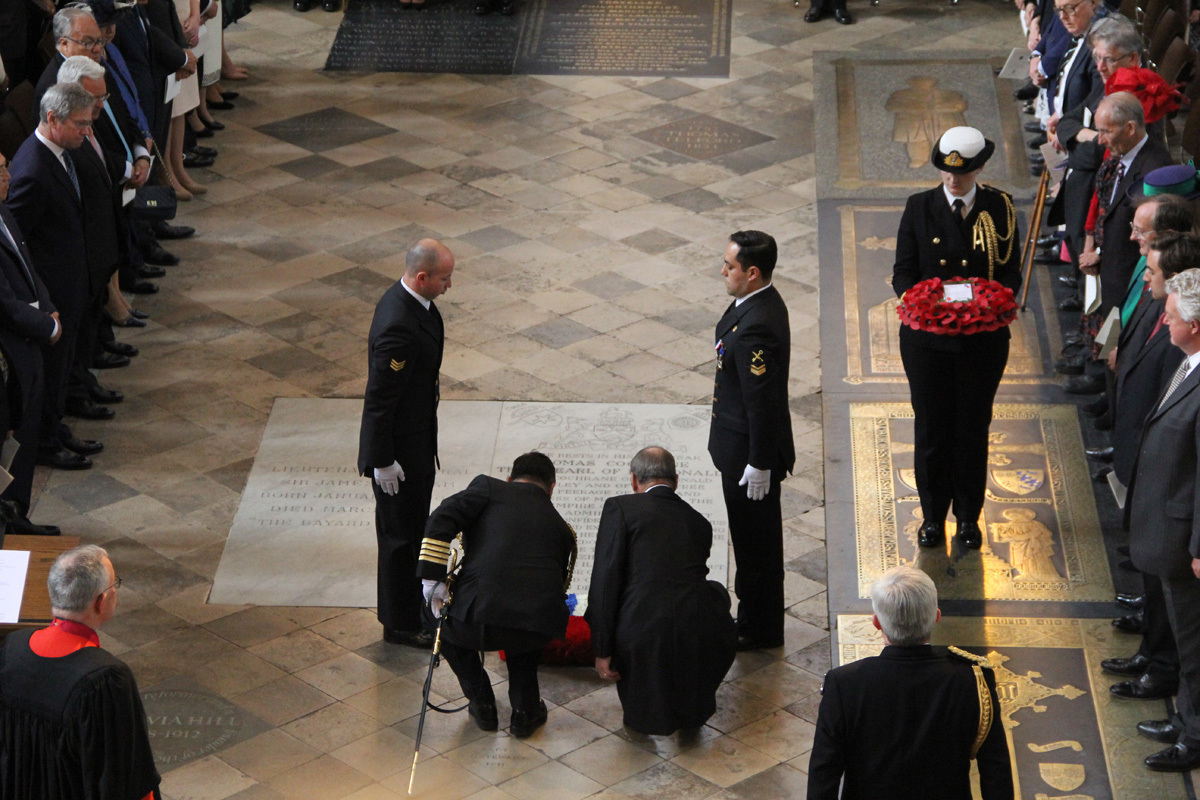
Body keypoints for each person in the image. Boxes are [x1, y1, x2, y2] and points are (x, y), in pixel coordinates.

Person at [892, 126, 1021, 550]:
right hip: (927, 343)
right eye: (947, 173)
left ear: (979, 168)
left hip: (981, 343)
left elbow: (1009, 271)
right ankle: (932, 516)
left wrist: (988, 302)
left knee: (971, 426)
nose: (953, 181)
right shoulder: (919, 207)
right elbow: (904, 273)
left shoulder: (1000, 207)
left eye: (962, 175)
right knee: (931, 427)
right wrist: (928, 304)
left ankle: (968, 515)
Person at [807, 565, 1013, 799]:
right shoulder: (972, 680)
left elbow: (823, 778)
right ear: (937, 617)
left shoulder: (844, 685)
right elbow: (996, 774)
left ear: (877, 623)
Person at [417, 452, 576, 739]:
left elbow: (442, 516)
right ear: (552, 487)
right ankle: (525, 712)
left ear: (509, 478)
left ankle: (482, 701)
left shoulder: (489, 488)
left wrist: (432, 580)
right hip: (532, 628)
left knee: (431, 612)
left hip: (475, 620)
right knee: (523, 625)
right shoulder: (562, 528)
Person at [586, 446, 737, 735]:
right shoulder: (699, 522)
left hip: (641, 627)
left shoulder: (620, 508)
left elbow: (605, 581)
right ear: (676, 480)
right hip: (695, 624)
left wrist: (602, 649)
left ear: (634, 481)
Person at [0, 544, 160, 799]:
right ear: (101, 601)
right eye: (114, 585)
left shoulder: (12, 649)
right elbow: (125, 778)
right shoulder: (107, 680)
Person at [358, 238, 453, 649]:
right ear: (422, 277)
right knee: (400, 539)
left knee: (412, 531)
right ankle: (398, 623)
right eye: (445, 278)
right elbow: (380, 398)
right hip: (398, 455)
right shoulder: (400, 324)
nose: (450, 285)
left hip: (414, 441)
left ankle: (409, 609)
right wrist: (382, 460)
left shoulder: (416, 305)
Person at [6, 82, 102, 473]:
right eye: (80, 124)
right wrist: (41, 303)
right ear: (52, 119)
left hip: (69, 285)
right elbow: (17, 243)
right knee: (51, 372)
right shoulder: (31, 168)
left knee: (63, 369)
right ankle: (46, 440)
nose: (87, 131)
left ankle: (55, 427)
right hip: (52, 293)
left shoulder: (59, 153)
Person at [1126, 268, 1200, 772]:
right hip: (1169, 530)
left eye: (1171, 316)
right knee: (1184, 637)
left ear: (1194, 325)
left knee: (1195, 645)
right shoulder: (1189, 363)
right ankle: (1188, 720)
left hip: (1184, 543)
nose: (1165, 321)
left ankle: (1195, 737)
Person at [709, 229, 794, 651]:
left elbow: (761, 403)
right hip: (742, 450)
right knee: (751, 543)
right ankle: (755, 619)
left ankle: (759, 628)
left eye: (730, 266)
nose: (723, 271)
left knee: (756, 548)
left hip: (748, 459)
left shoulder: (757, 327)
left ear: (753, 273)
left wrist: (759, 462)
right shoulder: (755, 303)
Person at [0, 150, 61, 537]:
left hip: (30, 340)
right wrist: (45, 326)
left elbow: (29, 267)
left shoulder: (4, 212)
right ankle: (10, 516)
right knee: (13, 433)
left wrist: (49, 308)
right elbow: (3, 302)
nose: (9, 175)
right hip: (11, 348)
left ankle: (17, 510)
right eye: (1, 170)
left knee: (26, 433)